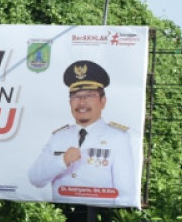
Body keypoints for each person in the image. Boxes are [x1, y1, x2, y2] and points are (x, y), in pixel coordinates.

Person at [28, 60, 137, 207]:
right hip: (61, 213)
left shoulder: (118, 138)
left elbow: (125, 193)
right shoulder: (58, 137)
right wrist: (62, 161)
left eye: (89, 95)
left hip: (98, 213)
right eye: (76, 96)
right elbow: (35, 178)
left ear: (103, 101)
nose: (82, 102)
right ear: (70, 102)